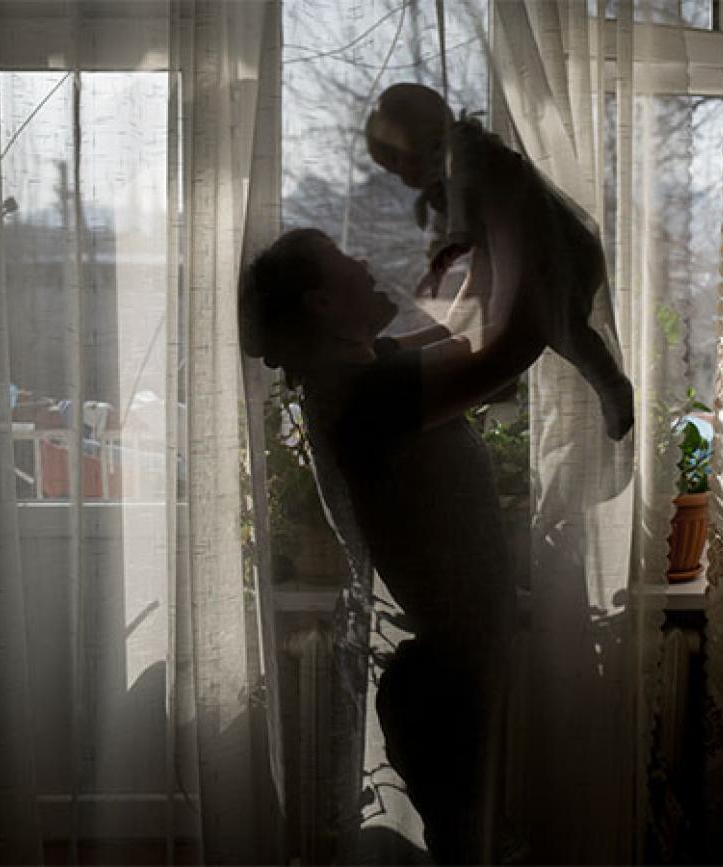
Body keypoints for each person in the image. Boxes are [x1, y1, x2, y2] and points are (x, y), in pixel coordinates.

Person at [239, 227, 544, 864]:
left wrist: (492, 243)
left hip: (441, 666)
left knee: (474, 843)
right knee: (475, 848)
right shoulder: (370, 397)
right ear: (322, 303)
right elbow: (506, 347)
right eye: (346, 261)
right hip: (440, 680)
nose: (366, 263)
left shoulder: (362, 371)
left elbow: (464, 330)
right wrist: (541, 242)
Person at [365, 82, 635, 441]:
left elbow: (462, 194)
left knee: (558, 323)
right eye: (391, 168)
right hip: (526, 253)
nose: (402, 175)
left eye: (399, 159)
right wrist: (437, 258)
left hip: (563, 251)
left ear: (425, 133)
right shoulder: (442, 183)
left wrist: (457, 240)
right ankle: (494, 379)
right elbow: (445, 221)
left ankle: (611, 385)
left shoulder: (464, 148)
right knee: (478, 312)